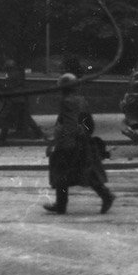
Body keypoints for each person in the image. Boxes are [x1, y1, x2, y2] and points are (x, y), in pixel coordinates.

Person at [44, 73, 115, 214]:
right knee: (84, 172)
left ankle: (62, 204)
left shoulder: (67, 102)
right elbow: (89, 124)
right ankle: (105, 195)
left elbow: (66, 124)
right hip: (81, 142)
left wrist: (56, 142)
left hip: (70, 143)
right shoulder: (81, 100)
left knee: (62, 173)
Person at [0, 59, 44, 144]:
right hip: (21, 99)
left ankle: (2, 138)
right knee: (26, 118)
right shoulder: (17, 74)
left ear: (9, 68)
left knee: (6, 118)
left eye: (7, 68)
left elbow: (8, 87)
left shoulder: (12, 75)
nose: (6, 70)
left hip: (15, 100)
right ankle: (38, 133)